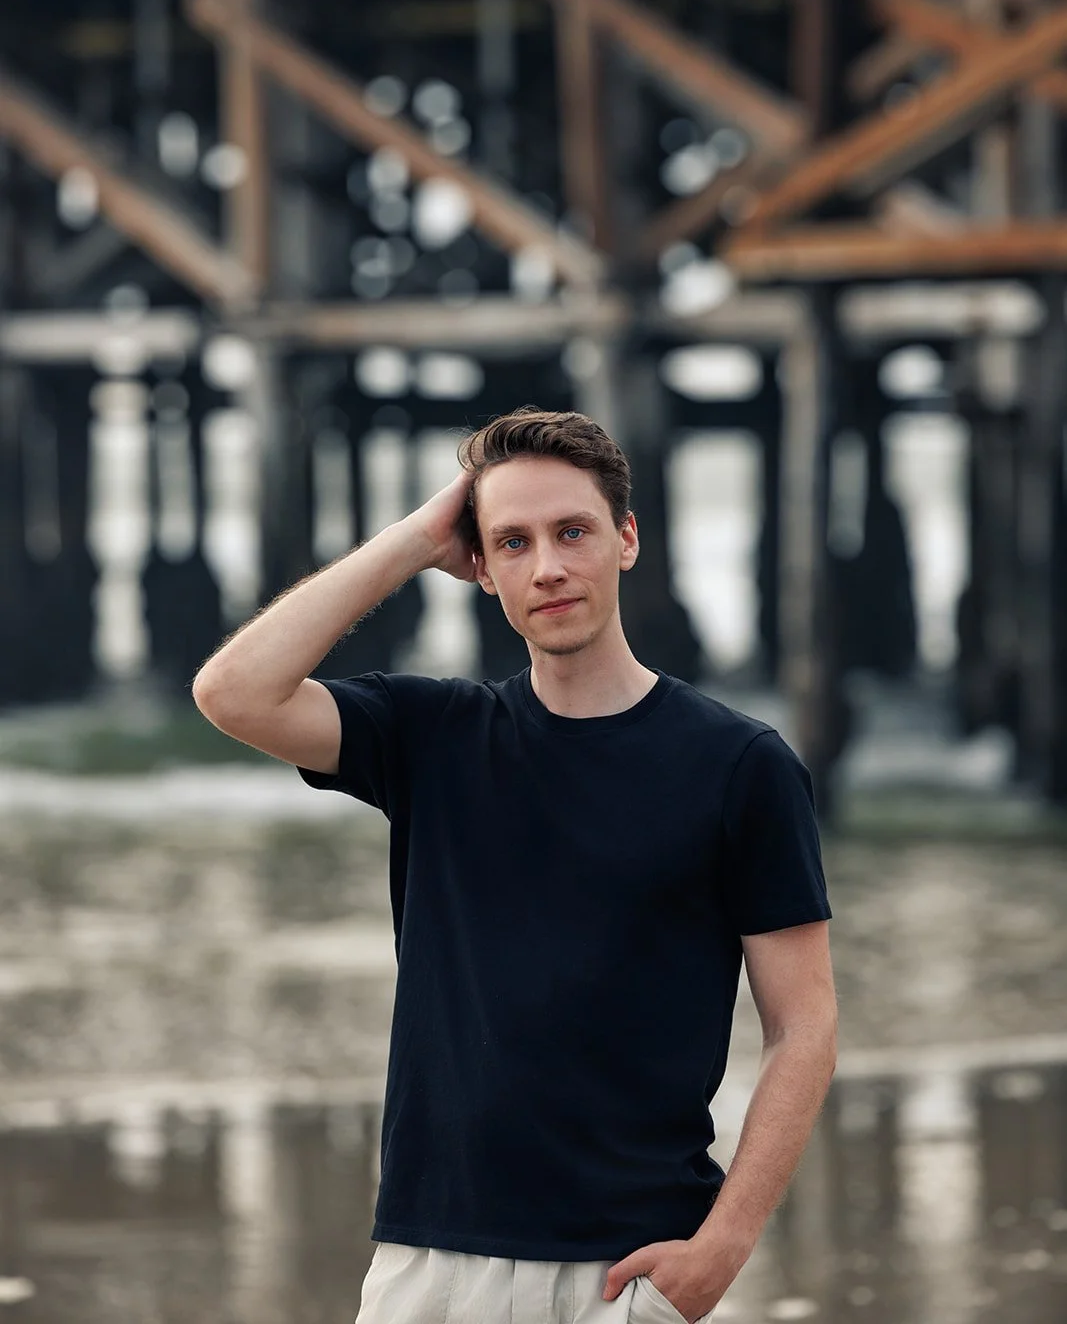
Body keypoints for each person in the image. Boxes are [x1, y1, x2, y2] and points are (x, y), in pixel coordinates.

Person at [193, 406, 837, 1324]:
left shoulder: (740, 765)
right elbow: (232, 692)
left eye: (572, 531)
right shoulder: (432, 736)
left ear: (626, 539)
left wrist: (722, 1246)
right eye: (512, 542)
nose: (548, 567)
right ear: (482, 571)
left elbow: (804, 1024)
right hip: (430, 1258)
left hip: (629, 1264)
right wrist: (416, 540)